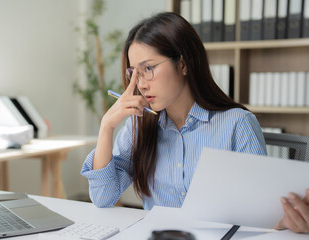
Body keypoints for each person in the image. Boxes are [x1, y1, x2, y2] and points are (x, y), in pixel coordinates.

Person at [81, 12, 309, 233]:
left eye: (148, 68)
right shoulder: (139, 125)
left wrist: (287, 220)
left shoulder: (237, 124)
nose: (141, 84)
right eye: (135, 72)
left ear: (183, 63)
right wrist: (106, 127)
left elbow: (263, 214)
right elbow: (103, 197)